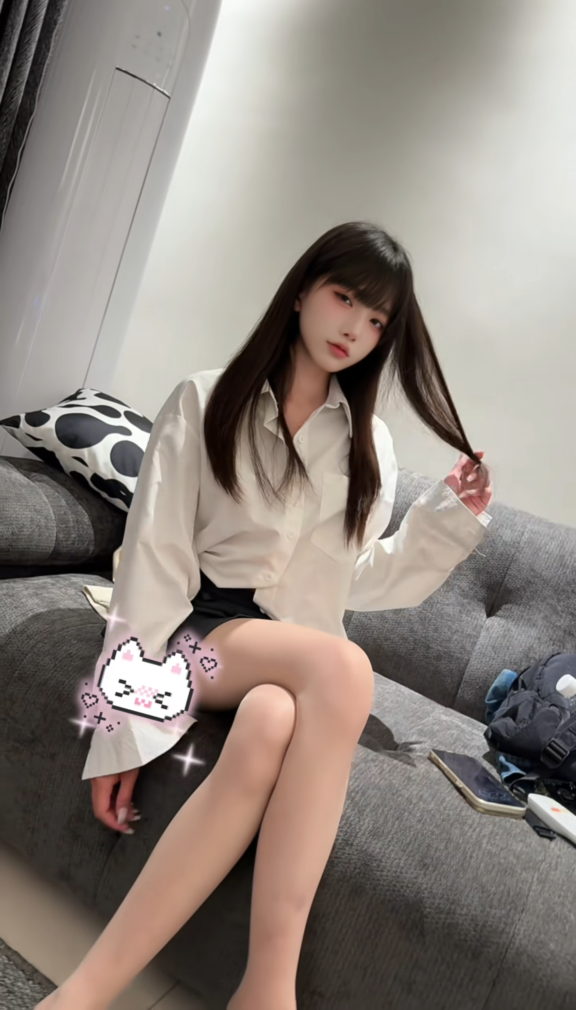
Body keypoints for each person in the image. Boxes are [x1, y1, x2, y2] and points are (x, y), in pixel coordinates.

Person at [36, 221, 493, 1010]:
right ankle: (269, 991)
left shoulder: (371, 444)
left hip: (283, 651)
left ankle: (82, 994)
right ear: (304, 291)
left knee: (273, 719)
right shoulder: (206, 399)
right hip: (199, 629)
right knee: (344, 667)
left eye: (376, 319)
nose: (354, 327)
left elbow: (354, 578)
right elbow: (152, 560)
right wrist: (123, 725)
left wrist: (444, 522)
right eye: (344, 297)